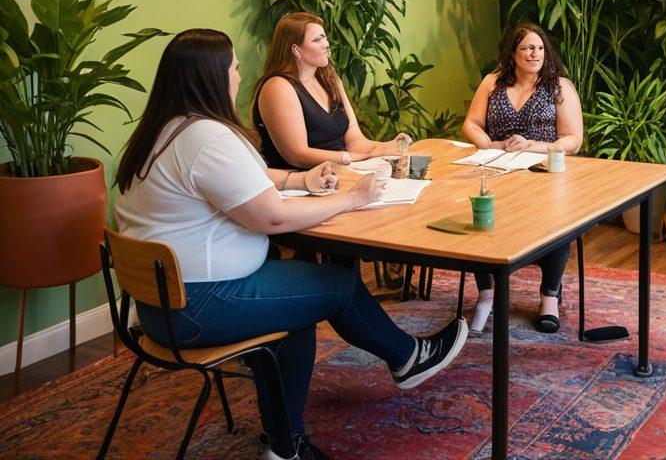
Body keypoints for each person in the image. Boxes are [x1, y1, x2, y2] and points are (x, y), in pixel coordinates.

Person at [114, 29, 468, 460]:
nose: (239, 75)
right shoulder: (207, 139)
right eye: (233, 67)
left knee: (297, 315)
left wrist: (301, 179)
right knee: (337, 286)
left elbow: (251, 179)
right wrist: (351, 199)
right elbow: (274, 217)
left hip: (156, 309)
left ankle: (286, 447)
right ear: (210, 78)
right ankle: (409, 356)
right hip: (201, 307)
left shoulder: (164, 132)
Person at [461, 22, 584, 334]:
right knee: (480, 220)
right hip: (497, 167)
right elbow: (471, 124)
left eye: (540, 48)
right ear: (512, 54)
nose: (535, 54)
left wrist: (535, 146)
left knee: (559, 225)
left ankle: (549, 297)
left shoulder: (559, 87)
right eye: (528, 48)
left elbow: (573, 140)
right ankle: (487, 291)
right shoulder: (493, 83)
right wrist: (488, 144)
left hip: (543, 172)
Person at [252, 12, 407, 173]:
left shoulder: (328, 76)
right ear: (296, 50)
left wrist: (388, 147)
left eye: (324, 38)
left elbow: (355, 142)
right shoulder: (278, 87)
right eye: (317, 40)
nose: (326, 44)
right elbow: (297, 155)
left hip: (341, 172)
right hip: (300, 183)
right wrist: (352, 158)